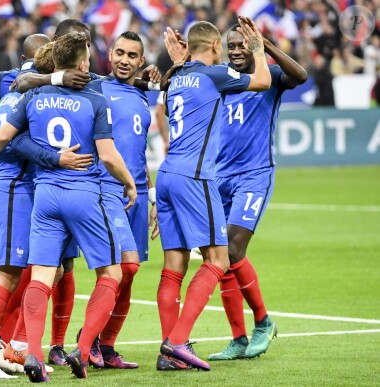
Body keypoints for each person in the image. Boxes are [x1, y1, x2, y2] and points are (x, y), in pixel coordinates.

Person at [0, 32, 136, 382]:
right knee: (111, 274)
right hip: (85, 194)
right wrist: (129, 183)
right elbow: (109, 156)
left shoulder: (34, 96)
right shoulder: (94, 100)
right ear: (83, 64)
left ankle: (34, 354)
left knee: (40, 278)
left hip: (45, 196)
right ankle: (83, 351)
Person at [0, 35, 94, 380]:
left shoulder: (14, 96)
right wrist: (44, 159)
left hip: (24, 190)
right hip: (13, 191)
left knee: (50, 271)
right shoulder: (33, 98)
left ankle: (18, 347)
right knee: (6, 273)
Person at [155, 18, 271, 371]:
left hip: (166, 174)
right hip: (195, 176)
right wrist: (259, 50)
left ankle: (168, 353)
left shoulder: (175, 77)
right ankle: (176, 342)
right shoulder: (213, 74)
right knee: (218, 260)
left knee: (173, 267)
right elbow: (263, 81)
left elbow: (175, 82)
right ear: (217, 47)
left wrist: (181, 59)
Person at [208, 25, 307, 361]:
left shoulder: (270, 76)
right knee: (218, 258)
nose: (236, 51)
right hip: (217, 176)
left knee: (233, 248)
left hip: (254, 175)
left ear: (252, 49)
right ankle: (237, 338)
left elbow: (301, 75)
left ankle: (263, 321)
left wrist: (265, 46)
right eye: (231, 46)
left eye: (242, 46)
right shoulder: (219, 79)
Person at [81, 30, 157, 370]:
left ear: (141, 61)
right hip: (108, 190)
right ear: (110, 55)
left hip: (139, 194)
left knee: (132, 269)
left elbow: (138, 151)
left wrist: (151, 196)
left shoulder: (143, 98)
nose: (125, 60)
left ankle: (107, 346)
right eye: (120, 53)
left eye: (132, 56)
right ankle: (89, 337)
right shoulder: (94, 86)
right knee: (120, 267)